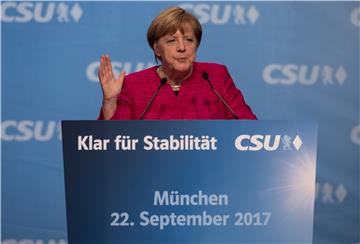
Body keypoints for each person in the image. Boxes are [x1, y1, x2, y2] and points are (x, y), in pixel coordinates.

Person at [98, 7, 256, 120]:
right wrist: (110, 101)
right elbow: (115, 142)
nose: (182, 48)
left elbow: (248, 128)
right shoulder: (134, 84)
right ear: (157, 49)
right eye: (172, 41)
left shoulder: (215, 76)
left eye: (189, 39)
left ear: (196, 44)